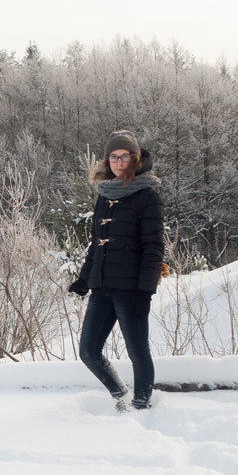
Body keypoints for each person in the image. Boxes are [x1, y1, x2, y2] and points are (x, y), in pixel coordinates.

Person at [68, 130, 164, 412]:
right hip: (102, 288)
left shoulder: (147, 197)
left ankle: (142, 406)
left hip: (132, 290)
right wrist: (84, 280)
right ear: (107, 160)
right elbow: (96, 245)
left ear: (135, 159)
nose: (119, 162)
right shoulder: (104, 196)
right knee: (88, 351)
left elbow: (154, 248)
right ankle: (120, 394)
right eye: (113, 157)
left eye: (124, 156)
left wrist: (145, 290)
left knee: (138, 352)